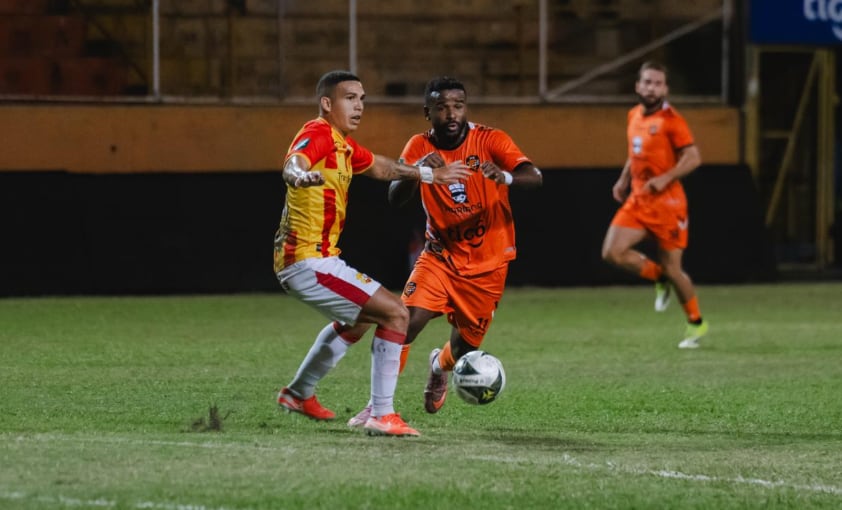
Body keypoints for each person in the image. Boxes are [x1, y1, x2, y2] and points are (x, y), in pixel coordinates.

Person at [274, 70, 471, 437]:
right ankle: (382, 414)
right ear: (327, 103)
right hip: (307, 261)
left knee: (363, 319)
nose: (359, 105)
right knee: (396, 313)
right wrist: (299, 176)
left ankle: (299, 393)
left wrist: (427, 176)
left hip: (313, 259)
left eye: (362, 98)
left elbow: (382, 167)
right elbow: (294, 162)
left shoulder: (341, 144)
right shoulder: (317, 134)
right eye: (350, 98)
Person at [348, 76, 543, 426]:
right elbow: (394, 197)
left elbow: (535, 176)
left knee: (466, 344)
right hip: (439, 257)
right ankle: (378, 408)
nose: (451, 113)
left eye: (458, 105)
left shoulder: (490, 139)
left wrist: (506, 177)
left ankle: (440, 365)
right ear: (428, 112)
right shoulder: (419, 145)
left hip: (489, 264)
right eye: (442, 107)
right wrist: (420, 172)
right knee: (403, 323)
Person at [601, 61, 708, 349]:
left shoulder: (672, 120)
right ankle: (658, 277)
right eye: (647, 82)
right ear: (638, 86)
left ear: (665, 89)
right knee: (612, 252)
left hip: (668, 205)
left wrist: (666, 177)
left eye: (657, 83)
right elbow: (634, 153)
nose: (651, 88)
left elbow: (693, 157)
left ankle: (696, 324)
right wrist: (623, 179)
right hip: (638, 199)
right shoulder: (634, 115)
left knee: (676, 270)